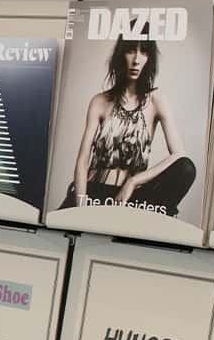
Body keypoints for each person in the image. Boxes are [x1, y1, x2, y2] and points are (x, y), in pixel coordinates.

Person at [60, 37, 196, 218]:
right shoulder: (100, 102)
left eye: (144, 51)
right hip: (95, 193)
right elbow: (83, 161)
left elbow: (179, 155)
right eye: (131, 50)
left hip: (131, 198)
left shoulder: (156, 101)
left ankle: (148, 223)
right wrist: (81, 206)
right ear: (120, 54)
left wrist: (133, 181)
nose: (136, 59)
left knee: (186, 169)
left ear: (150, 59)